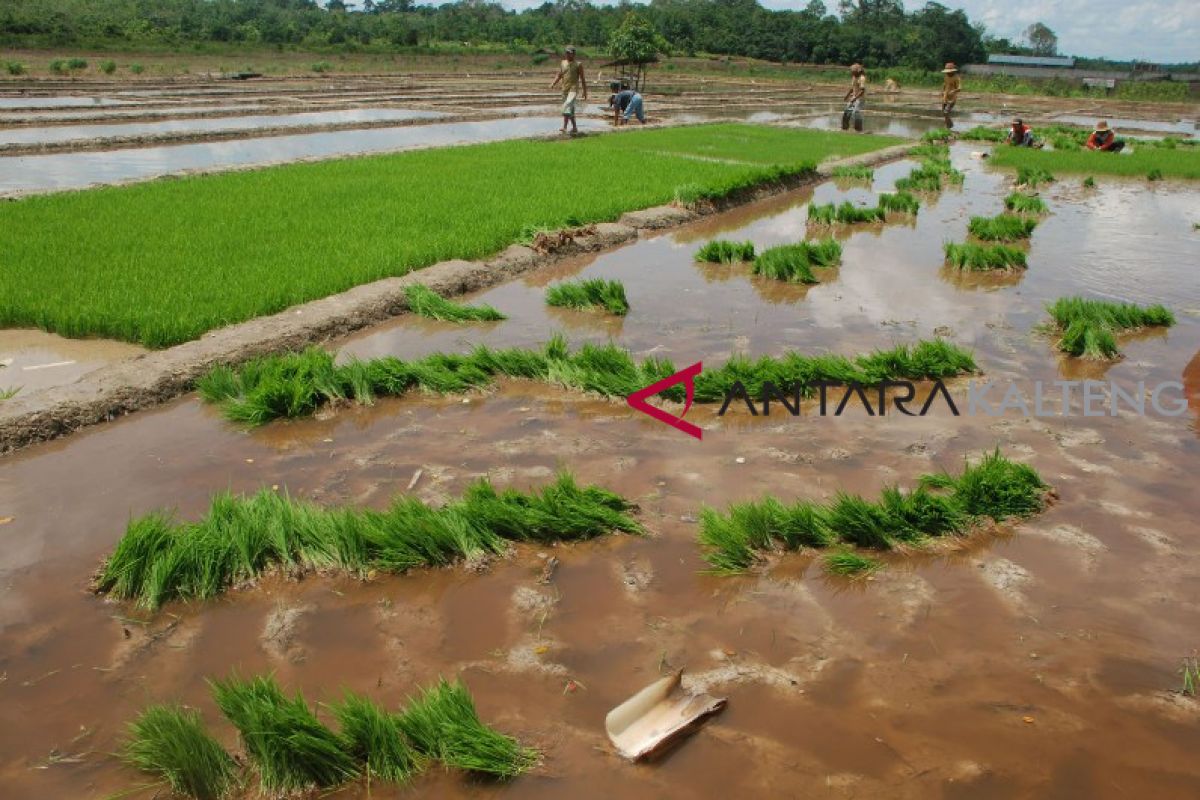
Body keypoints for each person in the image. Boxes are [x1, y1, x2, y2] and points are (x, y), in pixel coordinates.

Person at [549, 46, 588, 135]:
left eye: (569, 53)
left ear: (574, 54)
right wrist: (553, 83)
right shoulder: (563, 63)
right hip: (564, 89)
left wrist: (585, 91)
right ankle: (574, 127)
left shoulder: (578, 64)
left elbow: (582, 79)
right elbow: (559, 75)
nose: (567, 54)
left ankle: (565, 127)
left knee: (567, 107)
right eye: (566, 52)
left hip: (573, 90)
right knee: (570, 109)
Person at [842, 63, 867, 132]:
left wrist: (855, 98)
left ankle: (858, 129)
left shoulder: (862, 78)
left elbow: (862, 91)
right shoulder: (854, 77)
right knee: (847, 111)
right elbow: (852, 88)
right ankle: (844, 128)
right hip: (854, 97)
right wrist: (847, 96)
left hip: (860, 99)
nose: (851, 72)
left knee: (856, 112)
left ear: (857, 71)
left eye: (853, 71)